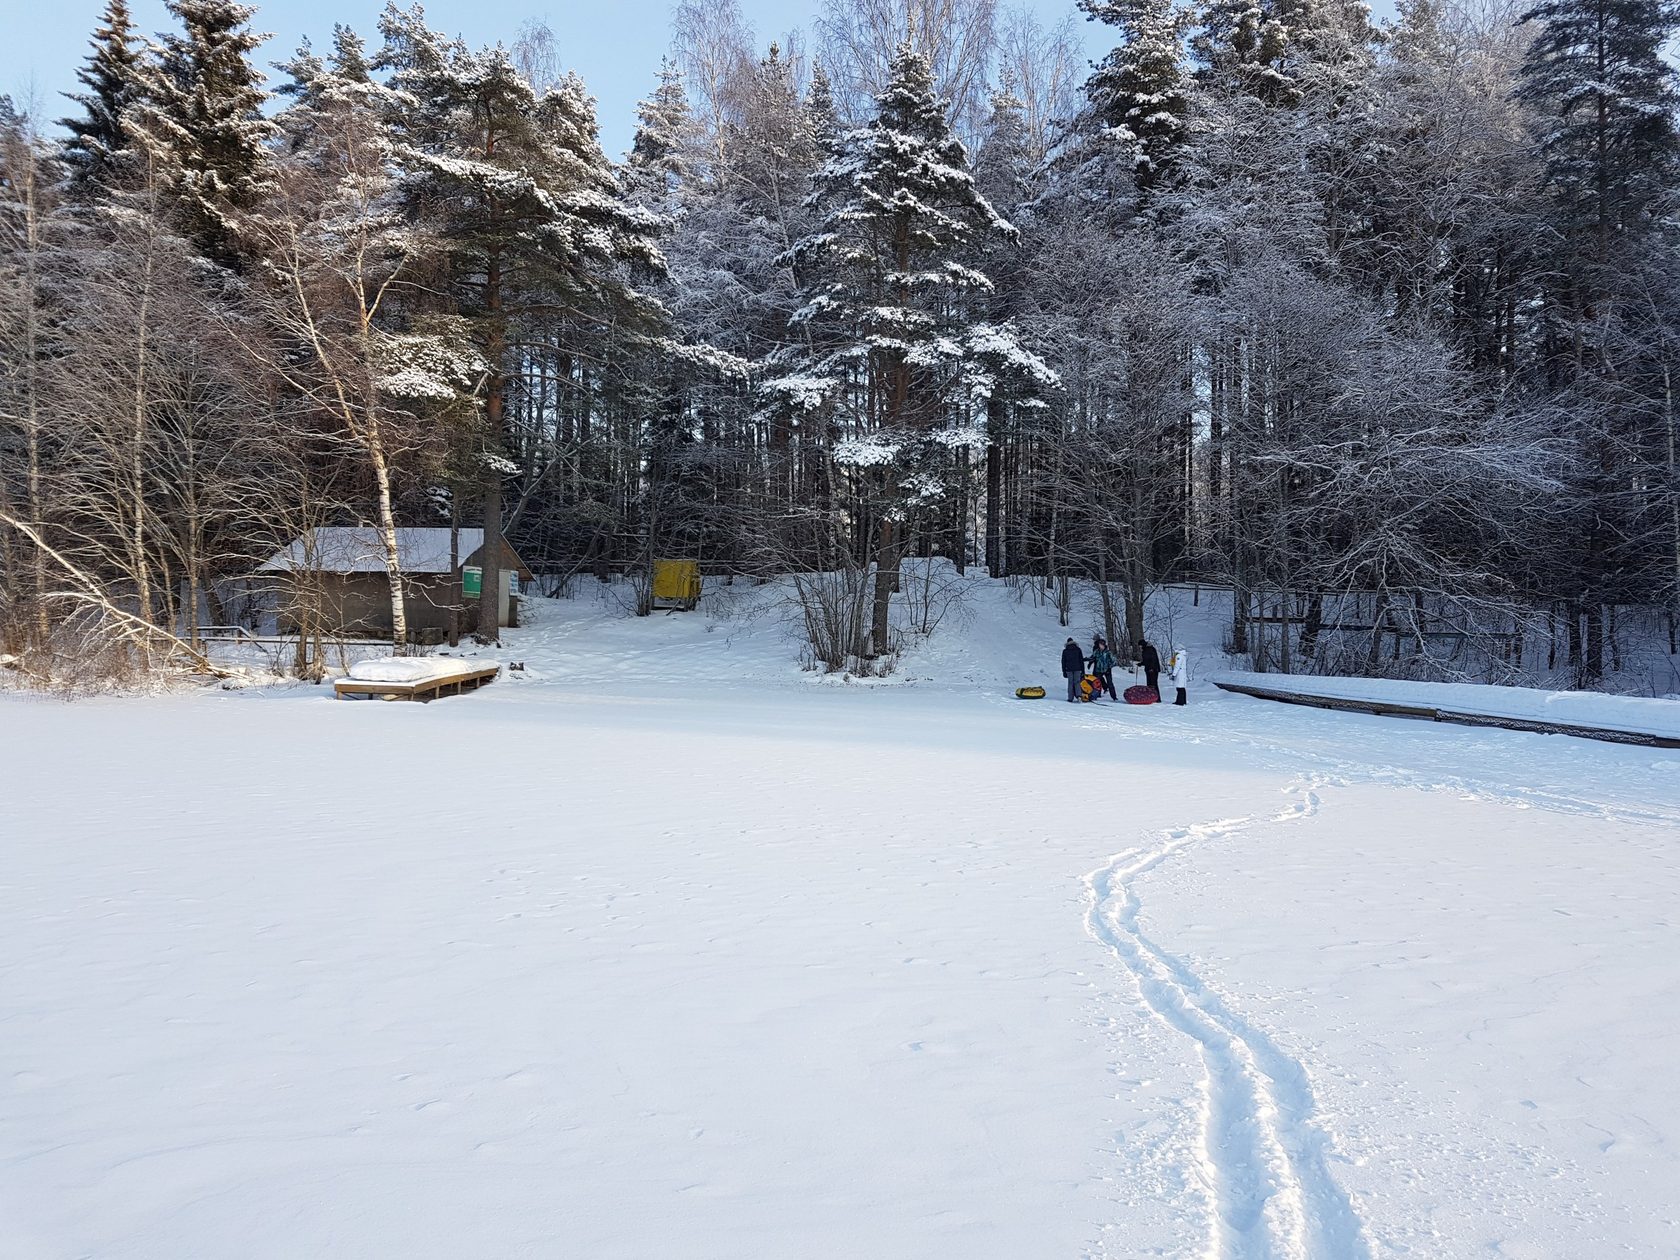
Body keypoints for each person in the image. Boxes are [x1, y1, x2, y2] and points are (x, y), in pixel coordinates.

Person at [1089, 637, 1117, 702]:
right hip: (1098, 670)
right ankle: (1096, 695)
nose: (1100, 646)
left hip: (1107, 670)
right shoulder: (1096, 651)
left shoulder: (1108, 652)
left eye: (1101, 645)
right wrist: (1089, 661)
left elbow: (1114, 661)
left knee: (1110, 683)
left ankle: (1114, 697)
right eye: (1099, 645)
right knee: (1097, 683)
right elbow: (1092, 657)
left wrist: (1109, 666)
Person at [1060, 637, 1085, 702]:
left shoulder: (1065, 651)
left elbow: (1063, 662)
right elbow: (1081, 660)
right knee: (1077, 682)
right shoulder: (1078, 649)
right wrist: (1083, 670)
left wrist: (1064, 671)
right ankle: (1079, 696)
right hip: (1077, 668)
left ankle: (1070, 698)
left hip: (1069, 669)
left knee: (1070, 683)